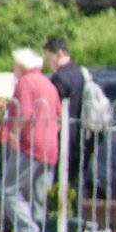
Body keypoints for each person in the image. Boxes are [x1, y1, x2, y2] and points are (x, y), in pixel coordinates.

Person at [0, 48, 61, 232]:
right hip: (50, 147)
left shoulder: (26, 82)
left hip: (29, 145)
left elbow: (24, 113)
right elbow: (59, 116)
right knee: (37, 197)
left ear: (21, 65)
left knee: (10, 191)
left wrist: (14, 133)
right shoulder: (48, 83)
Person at [42, 37, 86, 188]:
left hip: (64, 137)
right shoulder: (79, 72)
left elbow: (53, 108)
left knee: (59, 182)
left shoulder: (60, 77)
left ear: (59, 54)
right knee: (74, 182)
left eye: (49, 58)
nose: (49, 63)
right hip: (79, 135)